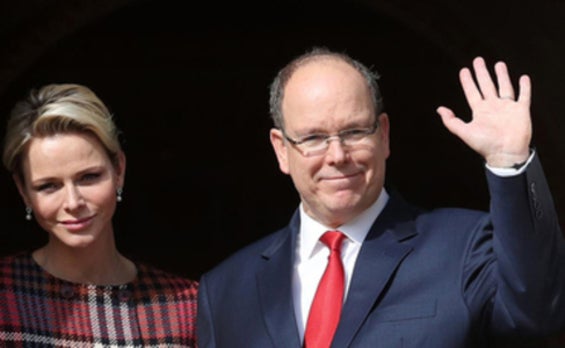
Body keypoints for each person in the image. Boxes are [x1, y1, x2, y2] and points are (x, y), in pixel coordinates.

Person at [196, 47, 565, 347]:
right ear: (281, 150)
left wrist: (509, 162)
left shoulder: (461, 247)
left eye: (355, 131)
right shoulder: (226, 290)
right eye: (313, 138)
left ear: (384, 135)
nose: (337, 155)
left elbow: (537, 312)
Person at [0, 83, 198, 347]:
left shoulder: (184, 306)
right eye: (48, 186)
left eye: (88, 177)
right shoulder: (5, 295)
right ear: (23, 191)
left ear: (119, 170)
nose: (72, 202)